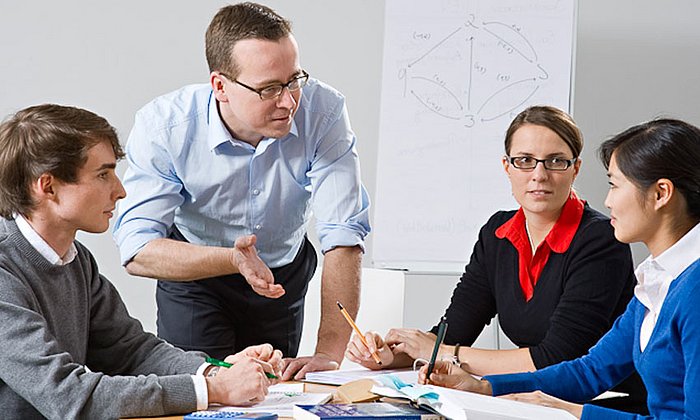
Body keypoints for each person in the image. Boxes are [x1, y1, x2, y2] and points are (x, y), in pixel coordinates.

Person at [113, 2, 370, 380]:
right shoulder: (165, 126)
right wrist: (232, 260)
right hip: (196, 280)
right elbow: (137, 250)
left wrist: (329, 356)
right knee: (206, 391)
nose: (289, 101)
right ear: (221, 87)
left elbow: (344, 234)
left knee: (276, 390)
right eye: (269, 89)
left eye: (294, 80)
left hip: (281, 275)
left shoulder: (323, 111)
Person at [346, 105, 645, 411]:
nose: (539, 175)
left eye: (555, 161)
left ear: (575, 168)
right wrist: (388, 356)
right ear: (507, 167)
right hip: (532, 399)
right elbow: (453, 332)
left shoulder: (601, 240)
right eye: (525, 161)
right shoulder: (497, 234)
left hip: (605, 404)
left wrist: (445, 353)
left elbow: (556, 358)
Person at [0, 104, 283, 418]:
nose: (120, 191)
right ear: (48, 186)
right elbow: (68, 395)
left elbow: (131, 352)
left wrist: (214, 371)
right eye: (103, 174)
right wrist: (214, 390)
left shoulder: (76, 261)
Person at [419, 118, 700, 419]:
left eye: (615, 185)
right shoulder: (658, 280)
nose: (607, 201)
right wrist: (484, 387)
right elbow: (589, 371)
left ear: (661, 194)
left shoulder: (693, 290)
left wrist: (578, 414)